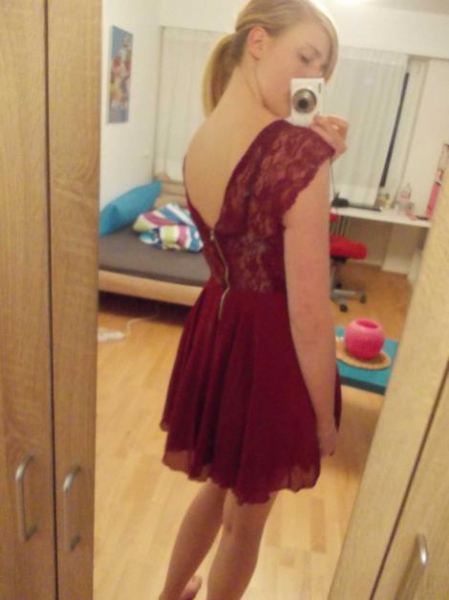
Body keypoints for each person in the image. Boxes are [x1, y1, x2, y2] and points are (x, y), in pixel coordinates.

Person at [157, 1, 348, 598]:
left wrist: (317, 159)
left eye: (321, 69)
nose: (312, 77)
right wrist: (324, 419)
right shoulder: (297, 155)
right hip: (269, 350)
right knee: (246, 522)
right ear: (259, 42)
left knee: (217, 486)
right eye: (306, 57)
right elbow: (310, 315)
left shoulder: (202, 138)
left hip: (219, 329)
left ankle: (168, 594)